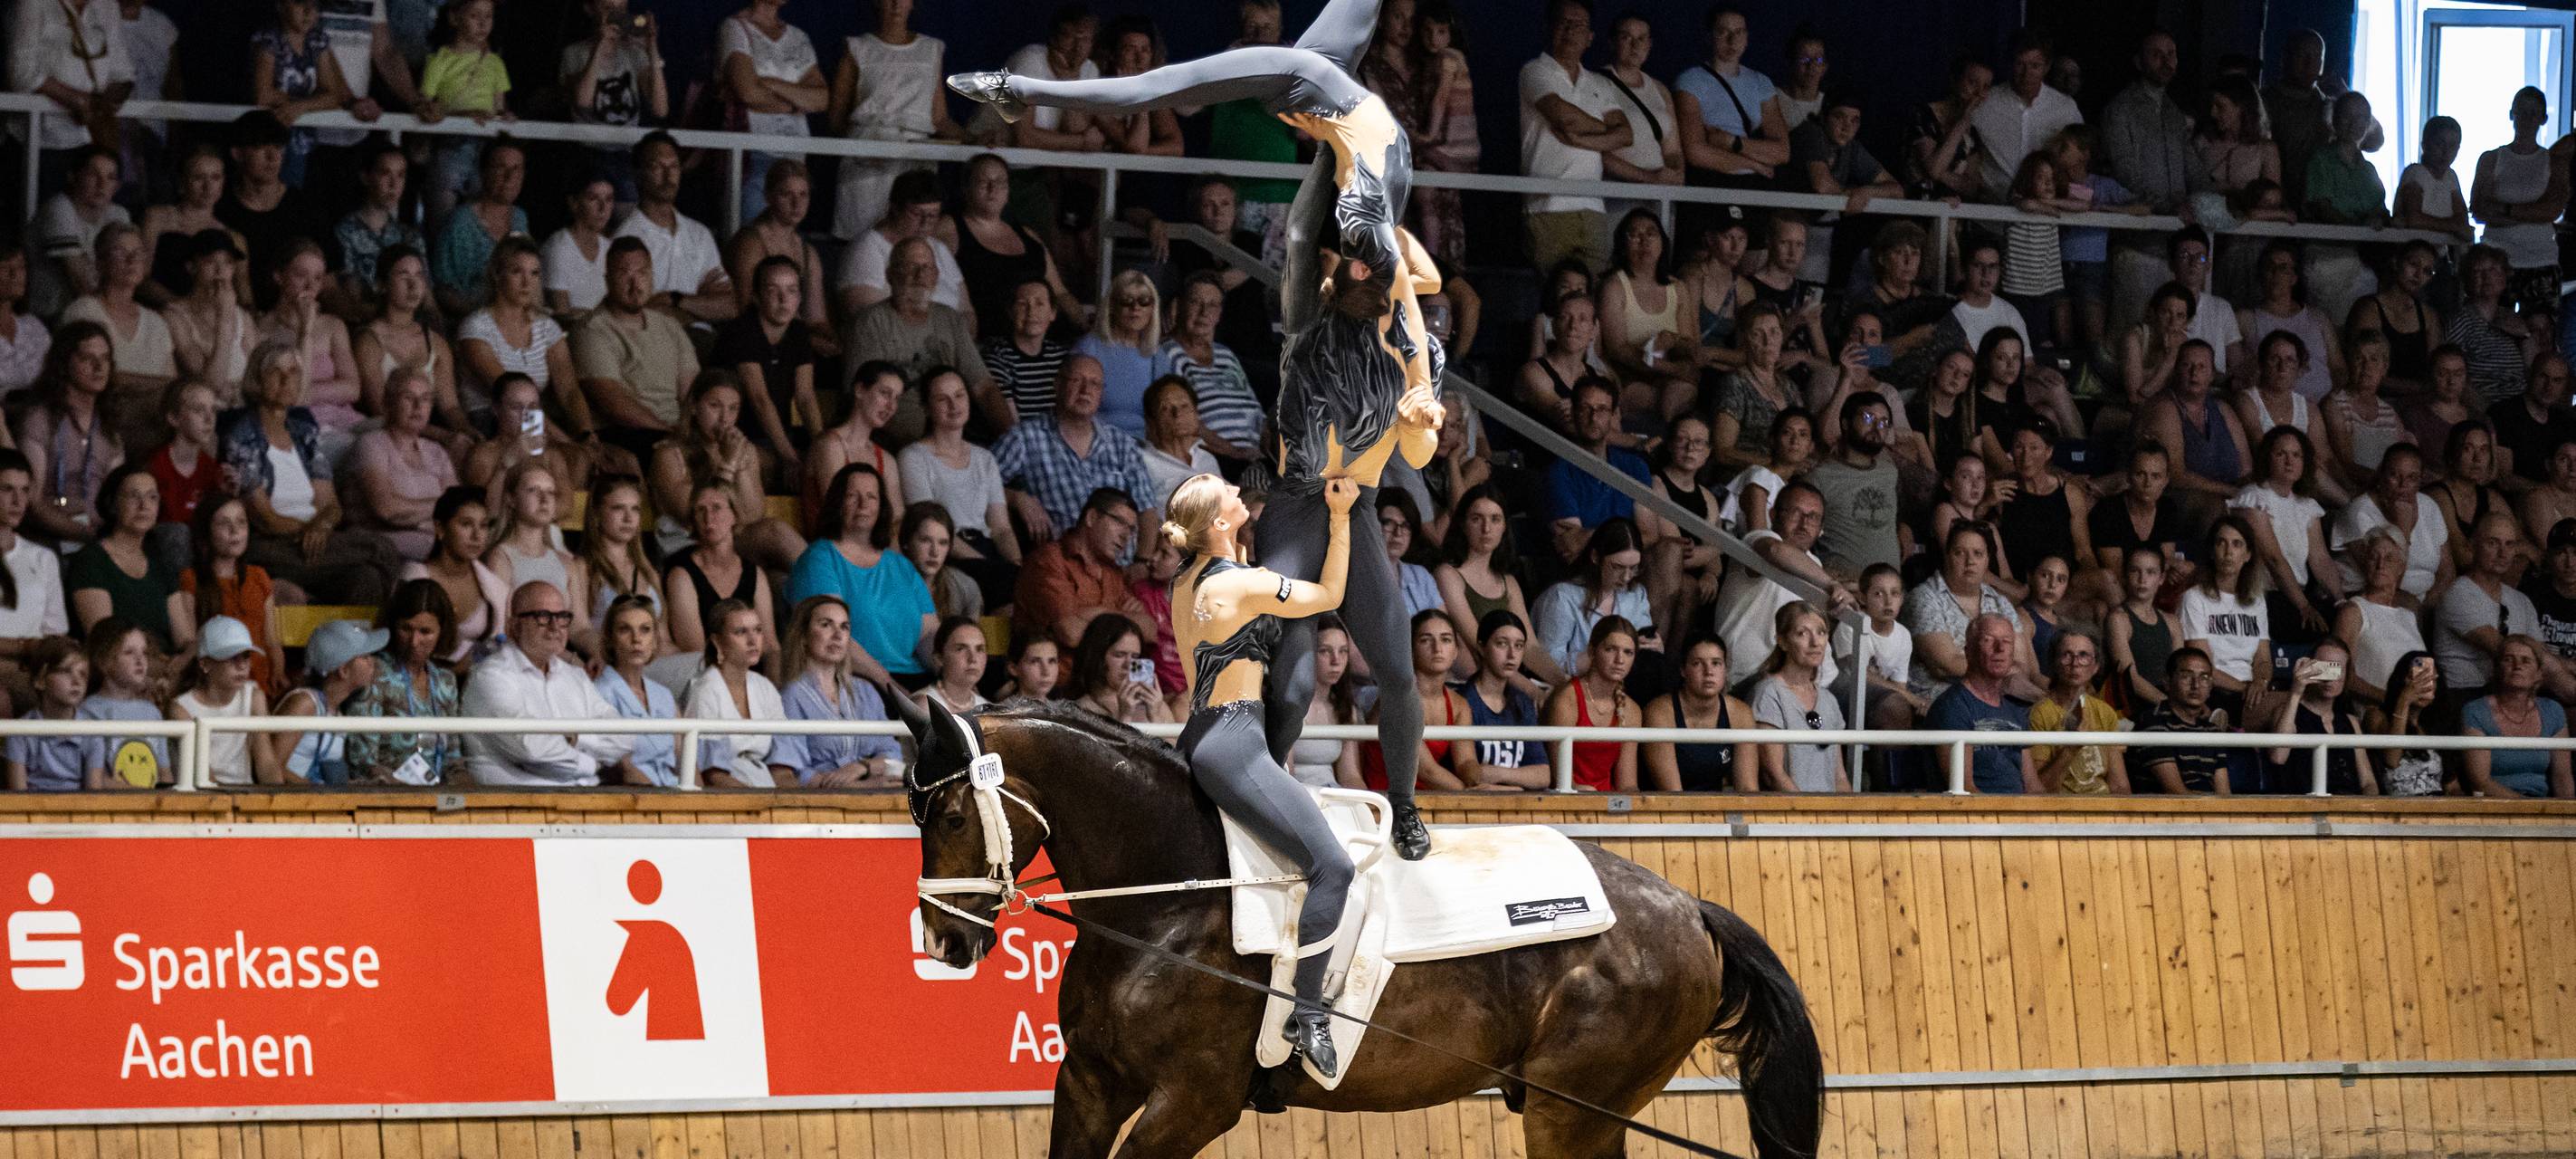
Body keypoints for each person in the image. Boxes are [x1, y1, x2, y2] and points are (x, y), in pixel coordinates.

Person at [1154, 468, 1360, 1071]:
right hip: (1236, 741)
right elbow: (1329, 596)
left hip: (1204, 731)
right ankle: (1309, 1016)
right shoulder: (1241, 584)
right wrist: (1342, 517)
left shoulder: (1185, 582)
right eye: (1228, 493)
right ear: (1218, 523)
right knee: (1333, 867)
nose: (1238, 492)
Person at [462, 582, 648, 787]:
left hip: (582, 800)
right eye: (542, 617)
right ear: (514, 627)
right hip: (516, 806)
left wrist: (576, 738)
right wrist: (592, 763)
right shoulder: (492, 676)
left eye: (562, 617)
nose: (555, 626)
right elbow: (530, 749)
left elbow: (623, 738)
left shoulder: (575, 676)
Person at [827, 0, 959, 244]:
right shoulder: (858, 48)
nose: (896, 4)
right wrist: (867, 143)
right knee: (862, 240)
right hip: (866, 160)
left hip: (914, 160)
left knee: (911, 241)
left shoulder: (931, 49)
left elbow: (939, 118)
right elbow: (836, 118)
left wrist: (972, 138)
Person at [1511, 0, 1627, 275]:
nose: (1571, 30)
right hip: (1548, 205)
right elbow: (1562, 116)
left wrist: (1582, 140)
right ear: (1550, 28)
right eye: (1565, 23)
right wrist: (1604, 129)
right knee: (1553, 295)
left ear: (1590, 38)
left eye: (1580, 25)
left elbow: (1625, 134)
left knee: (1592, 297)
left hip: (1594, 205)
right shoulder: (1535, 71)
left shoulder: (1600, 83)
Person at [787, 465, 931, 686]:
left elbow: (929, 634)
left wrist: (953, 676)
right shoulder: (820, 558)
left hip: (913, 678)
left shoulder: (901, 565)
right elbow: (832, 632)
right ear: (837, 503)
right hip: (854, 679)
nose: (863, 504)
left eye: (872, 497)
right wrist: (889, 685)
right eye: (853, 496)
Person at [645, 371, 804, 570]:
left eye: (733, 409)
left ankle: (834, 596)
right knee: (775, 532)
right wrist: (728, 464)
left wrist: (741, 464)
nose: (724, 418)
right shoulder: (669, 454)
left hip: (732, 543)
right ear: (694, 406)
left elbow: (753, 514)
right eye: (714, 406)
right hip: (689, 547)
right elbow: (699, 517)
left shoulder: (743, 451)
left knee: (780, 581)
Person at [994, 355, 1157, 545]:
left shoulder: (1121, 443)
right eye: (1076, 380)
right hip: (1065, 564)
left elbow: (1147, 510)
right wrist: (1016, 498)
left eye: (1094, 384)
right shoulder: (1025, 438)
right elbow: (980, 483)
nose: (1085, 390)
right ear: (1057, 385)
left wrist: (1142, 561)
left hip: (1124, 566)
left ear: (1101, 393)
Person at [845, 236, 995, 440]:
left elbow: (984, 388)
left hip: (947, 441)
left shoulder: (950, 319)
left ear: (936, 277)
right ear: (890, 275)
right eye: (911, 267)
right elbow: (862, 399)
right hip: (888, 443)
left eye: (927, 268)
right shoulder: (871, 321)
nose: (920, 275)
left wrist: (1014, 433)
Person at [899, 368, 1020, 600]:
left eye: (959, 395)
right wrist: (988, 566)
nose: (953, 405)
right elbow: (927, 523)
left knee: (1025, 580)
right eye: (942, 399)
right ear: (926, 407)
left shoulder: (985, 458)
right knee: (1006, 584)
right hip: (946, 551)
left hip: (986, 547)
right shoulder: (913, 457)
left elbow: (1001, 527)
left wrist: (1016, 563)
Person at [770, 594, 904, 788]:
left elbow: (892, 753)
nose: (837, 635)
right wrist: (861, 786)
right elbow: (794, 773)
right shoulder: (791, 696)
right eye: (826, 625)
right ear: (804, 636)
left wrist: (863, 766)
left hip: (876, 787)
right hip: (823, 802)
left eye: (844, 627)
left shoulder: (865, 691)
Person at [574, 239, 701, 442]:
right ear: (607, 280)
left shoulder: (670, 326)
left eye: (642, 273)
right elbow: (614, 403)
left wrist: (691, 432)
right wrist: (670, 434)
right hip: (628, 434)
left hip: (677, 430)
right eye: (624, 274)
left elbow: (692, 392)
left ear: (652, 277)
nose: (635, 284)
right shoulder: (591, 330)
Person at [1903, 521, 2037, 702]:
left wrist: (1994, 671)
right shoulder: (1924, 599)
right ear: (1947, 555)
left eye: (1978, 554)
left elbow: (2022, 666)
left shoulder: (2000, 602)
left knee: (2042, 712)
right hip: (1942, 700)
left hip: (1997, 695)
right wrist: (2001, 667)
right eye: (1960, 553)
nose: (1970, 561)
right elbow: (1949, 665)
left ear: (1987, 560)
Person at [346, 580, 462, 784]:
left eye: (425, 632)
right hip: (388, 796)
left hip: (436, 795)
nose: (414, 641)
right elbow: (362, 761)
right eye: (406, 629)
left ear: (442, 631)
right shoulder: (374, 674)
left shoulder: (446, 682)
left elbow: (452, 758)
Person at [355, 248, 468, 458]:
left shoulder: (435, 342)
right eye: (403, 275)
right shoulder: (369, 341)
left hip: (428, 429)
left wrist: (467, 433)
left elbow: (450, 407)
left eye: (419, 276)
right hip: (385, 433)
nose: (413, 285)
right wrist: (443, 436)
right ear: (382, 285)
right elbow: (382, 411)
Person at [59, 225, 171, 436]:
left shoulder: (156, 322)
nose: (131, 261)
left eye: (138, 254)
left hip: (153, 422)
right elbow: (98, 376)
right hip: (102, 419)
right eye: (120, 253)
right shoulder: (84, 311)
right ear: (100, 263)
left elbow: (173, 386)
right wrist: (155, 384)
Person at [2231, 425, 2339, 639]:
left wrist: (2341, 601)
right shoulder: (2253, 498)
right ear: (2267, 458)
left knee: (2341, 625)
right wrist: (2304, 606)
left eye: (2296, 455)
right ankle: (2302, 673)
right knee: (2313, 633)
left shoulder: (2307, 505)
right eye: (2281, 454)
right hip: (2264, 595)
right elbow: (2273, 559)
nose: (2289, 461)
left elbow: (2321, 559)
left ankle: (2322, 673)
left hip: (2297, 594)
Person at [711, 255, 819, 467]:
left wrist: (822, 444)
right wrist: (789, 457)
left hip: (776, 436)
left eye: (791, 290)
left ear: (799, 298)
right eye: (772, 290)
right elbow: (760, 399)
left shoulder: (798, 332)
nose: (783, 299)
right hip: (736, 435)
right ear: (757, 297)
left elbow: (805, 396)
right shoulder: (742, 332)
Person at [613, 133, 734, 321]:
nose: (668, 175)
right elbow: (634, 313)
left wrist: (676, 300)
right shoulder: (625, 239)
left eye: (674, 166)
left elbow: (729, 305)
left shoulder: (699, 234)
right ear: (638, 174)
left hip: (701, 339)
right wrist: (700, 304)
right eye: (657, 167)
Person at [721, 163, 835, 365]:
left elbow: (817, 318)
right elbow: (746, 308)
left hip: (795, 339)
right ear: (768, 196)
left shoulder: (807, 251)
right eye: (786, 194)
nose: (796, 203)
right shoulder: (750, 243)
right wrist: (806, 340)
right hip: (757, 342)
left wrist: (832, 340)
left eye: (803, 195)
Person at [1674, 5, 1789, 200]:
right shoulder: (1690, 81)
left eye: (1739, 32)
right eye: (1723, 31)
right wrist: (1754, 164)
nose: (1732, 40)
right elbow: (1696, 152)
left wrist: (1731, 143)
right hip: (1712, 182)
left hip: (1753, 185)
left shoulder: (1761, 83)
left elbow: (1782, 152)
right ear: (1709, 36)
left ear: (1747, 38)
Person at [68, 464, 185, 653]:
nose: (144, 505)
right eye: (133, 496)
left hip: (168, 669)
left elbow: (184, 638)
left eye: (152, 497)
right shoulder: (91, 561)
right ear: (112, 504)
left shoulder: (161, 563)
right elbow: (105, 643)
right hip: (123, 666)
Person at [2472, 87, 2565, 323]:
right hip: (2497, 257)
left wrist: (2505, 209)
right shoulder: (2491, 158)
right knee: (2489, 329)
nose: (2526, 118)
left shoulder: (2553, 162)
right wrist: (2533, 213)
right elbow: (2480, 210)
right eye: (2521, 111)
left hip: (2540, 260)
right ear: (2512, 114)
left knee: (2541, 333)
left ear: (2543, 119)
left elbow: (2552, 210)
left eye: (2533, 113)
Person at [2438, 512, 2554, 699]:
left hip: (2512, 694)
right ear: (2473, 545)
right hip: (2466, 697)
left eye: (2509, 544)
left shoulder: (2521, 600)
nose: (2503, 553)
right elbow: (2509, 652)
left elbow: (2542, 655)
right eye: (2493, 543)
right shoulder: (2458, 594)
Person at [1015, 486, 1149, 649]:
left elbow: (1149, 630)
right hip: (1057, 672)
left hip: (1103, 673)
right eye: (1119, 522)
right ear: (1091, 518)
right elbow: (1071, 634)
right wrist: (1122, 617)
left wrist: (1096, 614)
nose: (1126, 536)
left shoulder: (1114, 572)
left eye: (1131, 529)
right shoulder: (1049, 561)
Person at [176, 493, 282, 696]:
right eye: (224, 523)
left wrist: (278, 672)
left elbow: (271, 640)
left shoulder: (258, 576)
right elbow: (191, 643)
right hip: (217, 686)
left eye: (241, 522)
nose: (235, 531)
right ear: (206, 533)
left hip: (260, 684)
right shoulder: (191, 579)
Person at [458, 237, 577, 420]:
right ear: (497, 274)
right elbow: (512, 397)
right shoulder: (476, 327)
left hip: (534, 421)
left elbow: (569, 391)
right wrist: (564, 442)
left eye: (534, 273)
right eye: (516, 272)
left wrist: (585, 434)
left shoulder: (546, 327)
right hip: (492, 423)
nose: (526, 282)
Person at [349, 369, 460, 563]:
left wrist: (416, 515)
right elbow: (387, 510)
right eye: (408, 397)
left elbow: (458, 509)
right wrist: (440, 509)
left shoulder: (437, 451)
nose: (418, 406)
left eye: (425, 399)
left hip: (436, 544)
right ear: (389, 403)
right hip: (386, 548)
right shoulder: (371, 444)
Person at [666, 483, 780, 671]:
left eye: (717, 508)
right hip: (707, 675)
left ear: (734, 514)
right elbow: (694, 650)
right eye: (700, 510)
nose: (709, 517)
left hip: (753, 675)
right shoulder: (681, 574)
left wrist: (776, 693)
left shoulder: (754, 573)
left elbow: (770, 645)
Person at [1361, 609, 1478, 791]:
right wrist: (1471, 794)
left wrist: (1477, 783)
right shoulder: (1396, 699)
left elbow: (1466, 761)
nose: (1437, 648)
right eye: (1425, 640)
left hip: (1435, 796)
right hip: (1389, 801)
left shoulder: (1458, 704)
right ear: (1410, 649)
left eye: (1446, 639)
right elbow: (1426, 770)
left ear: (1456, 651)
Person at [1922, 612, 2039, 794]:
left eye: (2007, 641)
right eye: (1988, 640)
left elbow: (2033, 786)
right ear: (1968, 652)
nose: (1999, 648)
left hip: (2018, 816)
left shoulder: (2015, 712)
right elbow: (1964, 790)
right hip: (1979, 819)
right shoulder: (1953, 707)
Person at [1155, 273, 1264, 465]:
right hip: (1216, 457)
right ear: (1178, 306)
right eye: (1195, 303)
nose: (1204, 312)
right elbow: (1186, 424)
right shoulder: (1167, 354)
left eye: (1213, 305)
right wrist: (1234, 452)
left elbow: (1256, 412)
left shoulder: (1226, 355)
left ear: (1220, 314)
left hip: (1255, 455)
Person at [559, 0, 669, 192]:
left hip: (628, 151)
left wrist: (651, 50)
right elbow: (582, 101)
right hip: (589, 151)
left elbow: (660, 109)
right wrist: (599, 47)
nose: (617, 16)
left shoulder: (634, 53)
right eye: (608, 9)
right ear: (590, 9)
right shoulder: (574, 53)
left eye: (622, 10)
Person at [1533, 518, 1655, 681]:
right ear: (1596, 557)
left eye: (1633, 568)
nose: (1626, 577)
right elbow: (1545, 658)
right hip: (1572, 683)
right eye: (1617, 567)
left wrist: (1653, 647)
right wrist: (1587, 660)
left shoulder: (1636, 594)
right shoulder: (1563, 596)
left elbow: (1643, 645)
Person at [399, 487, 508, 666]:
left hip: (476, 678)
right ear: (440, 528)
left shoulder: (494, 586)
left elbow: (499, 643)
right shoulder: (416, 576)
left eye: (483, 525)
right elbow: (403, 646)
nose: (477, 535)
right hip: (419, 678)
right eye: (466, 524)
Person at [682, 599, 784, 790]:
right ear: (717, 641)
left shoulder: (765, 687)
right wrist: (758, 803)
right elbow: (712, 775)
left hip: (764, 785)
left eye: (758, 630)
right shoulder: (705, 690)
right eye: (741, 632)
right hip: (725, 796)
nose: (753, 640)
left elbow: (783, 765)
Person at [268, 618, 382, 787]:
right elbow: (272, 767)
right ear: (343, 671)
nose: (372, 662)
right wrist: (316, 791)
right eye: (364, 657)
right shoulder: (304, 703)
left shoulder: (337, 712)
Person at [171, 616, 281, 788]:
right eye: (231, 657)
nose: (242, 665)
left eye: (246, 656)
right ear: (205, 664)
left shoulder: (254, 696)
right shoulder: (181, 708)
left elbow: (266, 762)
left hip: (244, 798)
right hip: (201, 801)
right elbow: (203, 775)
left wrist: (278, 802)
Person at [1747, 602, 1847, 792]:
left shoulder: (1829, 700)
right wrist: (1810, 814)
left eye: (1821, 632)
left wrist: (1848, 817)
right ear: (1782, 642)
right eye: (1802, 633)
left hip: (1828, 816)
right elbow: (1774, 774)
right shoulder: (1768, 693)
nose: (1815, 642)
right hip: (1790, 815)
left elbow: (1840, 777)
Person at [835, 169, 964, 316]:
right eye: (916, 214)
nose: (925, 223)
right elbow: (866, 315)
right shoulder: (867, 249)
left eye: (933, 215)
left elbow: (967, 310)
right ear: (895, 208)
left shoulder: (939, 248)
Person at [2461, 635, 2573, 798]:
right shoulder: (2476, 711)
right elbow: (2480, 782)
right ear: (2497, 669)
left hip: (2543, 808)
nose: (2517, 666)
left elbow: (2562, 777)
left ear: (2539, 673)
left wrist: (2566, 816)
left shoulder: (2553, 710)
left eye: (2526, 661)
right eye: (2508, 659)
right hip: (2494, 809)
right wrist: (2527, 810)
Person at [1970, 30, 2082, 191]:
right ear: (2010, 63)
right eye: (2020, 64)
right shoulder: (1985, 102)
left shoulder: (2065, 108)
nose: (2026, 74)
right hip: (1993, 206)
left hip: (2045, 208)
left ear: (2047, 67)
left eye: (2035, 66)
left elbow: (2078, 159)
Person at [1644, 635, 1758, 792]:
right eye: (1697, 664)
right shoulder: (1660, 712)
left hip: (1716, 809)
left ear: (1725, 669)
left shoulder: (1740, 713)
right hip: (1669, 810)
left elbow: (1748, 789)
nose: (1708, 672)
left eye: (1716, 663)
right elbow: (1672, 794)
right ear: (1683, 670)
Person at [428, 139, 527, 320]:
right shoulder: (461, 222)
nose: (510, 177)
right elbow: (443, 289)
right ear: (484, 172)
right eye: (500, 168)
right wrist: (482, 316)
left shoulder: (520, 218)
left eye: (517, 169)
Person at [804, 361, 907, 534]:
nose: (891, 406)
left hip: (874, 547)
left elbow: (897, 519)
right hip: (832, 548)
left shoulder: (886, 459)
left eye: (896, 398)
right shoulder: (830, 445)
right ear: (859, 390)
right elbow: (841, 512)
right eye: (885, 394)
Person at [2333, 529, 2431, 708]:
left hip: (2410, 715)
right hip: (2374, 715)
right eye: (2373, 557)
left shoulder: (2408, 615)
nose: (2380, 565)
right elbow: (2339, 673)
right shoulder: (2353, 611)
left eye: (2389, 559)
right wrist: (2395, 701)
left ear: (2401, 567)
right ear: (2365, 563)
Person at [1544, 616, 1640, 792]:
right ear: (1592, 651)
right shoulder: (1567, 699)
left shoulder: (1631, 710)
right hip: (1568, 803)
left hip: (1609, 806)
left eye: (1628, 652)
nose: (1620, 659)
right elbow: (1560, 778)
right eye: (1611, 649)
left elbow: (1627, 783)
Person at [482, 461, 586, 625]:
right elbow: (502, 627)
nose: (544, 499)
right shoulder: (501, 558)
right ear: (511, 499)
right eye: (533, 490)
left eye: (550, 492)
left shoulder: (566, 563)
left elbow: (580, 628)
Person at [592, 594, 680, 787]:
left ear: (655, 639)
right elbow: (623, 771)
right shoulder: (599, 694)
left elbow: (686, 762)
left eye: (645, 630)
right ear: (610, 639)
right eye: (625, 630)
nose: (636, 639)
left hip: (674, 792)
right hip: (632, 799)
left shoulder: (663, 695)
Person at [2027, 628, 2129, 794]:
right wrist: (2071, 747)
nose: (2075, 663)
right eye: (2067, 655)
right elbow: (2040, 789)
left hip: (2103, 810)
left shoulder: (2105, 712)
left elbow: (2119, 785)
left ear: (2095, 666)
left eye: (2083, 655)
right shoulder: (2040, 713)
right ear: (2054, 663)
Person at [30, 147, 125, 321]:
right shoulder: (59, 208)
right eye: (93, 175)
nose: (102, 184)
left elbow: (125, 271)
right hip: (51, 316)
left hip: (93, 309)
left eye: (110, 178)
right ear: (73, 177)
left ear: (117, 186)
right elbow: (82, 282)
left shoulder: (118, 215)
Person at [3, 637, 99, 791]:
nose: (77, 681)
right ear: (40, 680)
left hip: (78, 813)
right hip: (30, 813)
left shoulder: (93, 731)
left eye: (83, 674)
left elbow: (94, 796)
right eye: (66, 671)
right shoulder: (18, 733)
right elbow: (18, 796)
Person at [2487, 351, 2576, 488]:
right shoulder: (2503, 413)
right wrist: (2550, 494)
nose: (2549, 386)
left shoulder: (2564, 421)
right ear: (2530, 375)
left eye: (2557, 380)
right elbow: (2504, 478)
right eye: (2543, 376)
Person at [1139, 376, 1222, 512]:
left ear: (1196, 413)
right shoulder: (1143, 462)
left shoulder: (1207, 459)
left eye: (1184, 406)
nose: (1177, 414)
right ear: (1152, 421)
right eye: (1165, 409)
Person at [2369, 652, 2447, 797]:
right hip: (2399, 809)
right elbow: (2391, 760)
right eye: (2418, 678)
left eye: (2431, 680)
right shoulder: (2377, 716)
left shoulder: (2435, 724)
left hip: (2437, 808)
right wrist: (2404, 699)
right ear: (2402, 680)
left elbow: (2451, 785)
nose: (2424, 686)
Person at [541, 175, 617, 317]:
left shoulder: (610, 248)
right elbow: (562, 314)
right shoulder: (558, 249)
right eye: (593, 198)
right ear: (574, 203)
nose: (603, 208)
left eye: (608, 199)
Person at [2395, 116, 2474, 247]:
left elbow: (2462, 218)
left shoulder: (2451, 176)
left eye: (2452, 145)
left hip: (2440, 252)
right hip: (2412, 250)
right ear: (2425, 145)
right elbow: (2414, 219)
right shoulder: (2415, 172)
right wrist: (2453, 226)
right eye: (2439, 144)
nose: (2446, 151)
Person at [901, 503, 979, 623]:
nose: (934, 552)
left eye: (943, 543)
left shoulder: (964, 586)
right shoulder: (886, 585)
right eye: (925, 540)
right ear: (906, 542)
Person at [916, 616, 988, 714]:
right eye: (960, 649)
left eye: (979, 649)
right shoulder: (925, 705)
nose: (973, 659)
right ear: (939, 658)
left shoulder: (986, 709)